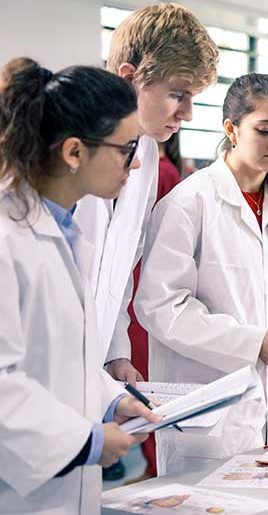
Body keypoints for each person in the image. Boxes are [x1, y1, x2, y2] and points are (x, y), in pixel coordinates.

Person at [135, 73, 268, 476]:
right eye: (265, 129)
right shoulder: (189, 202)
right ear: (231, 130)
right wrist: (252, 344)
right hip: (213, 416)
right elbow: (160, 306)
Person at [0, 58, 159, 513]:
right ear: (74, 152)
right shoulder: (8, 238)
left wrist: (111, 402)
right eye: (126, 149)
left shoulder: (68, 233)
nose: (136, 163)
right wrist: (85, 441)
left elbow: (66, 359)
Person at [72, 3, 217, 480]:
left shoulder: (148, 155)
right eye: (177, 94)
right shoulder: (68, 154)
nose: (187, 113)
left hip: (88, 369)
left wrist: (115, 352)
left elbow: (121, 268)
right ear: (130, 77)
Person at [123, 132, 183, 483]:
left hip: (141, 282)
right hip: (133, 284)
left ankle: (152, 466)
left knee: (143, 377)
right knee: (137, 374)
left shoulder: (161, 171)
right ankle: (150, 465)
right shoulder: (160, 167)